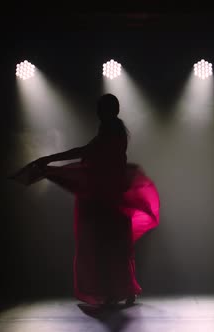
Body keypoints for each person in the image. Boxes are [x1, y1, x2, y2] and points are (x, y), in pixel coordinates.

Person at [9, 93, 160, 306]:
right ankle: (122, 290)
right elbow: (90, 154)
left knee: (107, 244)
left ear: (109, 111)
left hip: (107, 196)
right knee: (115, 244)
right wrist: (51, 160)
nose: (99, 114)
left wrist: (50, 159)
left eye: (101, 109)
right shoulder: (113, 131)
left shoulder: (112, 132)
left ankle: (116, 291)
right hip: (111, 194)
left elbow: (85, 152)